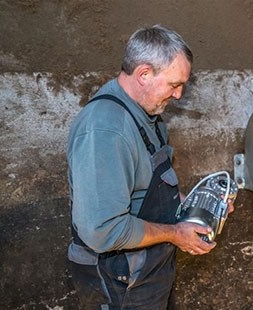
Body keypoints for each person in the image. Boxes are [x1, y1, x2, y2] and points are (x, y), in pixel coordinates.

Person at [66, 24, 234, 309]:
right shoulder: (106, 130)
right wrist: (175, 234)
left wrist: (199, 208)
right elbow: (102, 230)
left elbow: (150, 189)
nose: (179, 95)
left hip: (147, 272)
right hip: (119, 281)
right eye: (174, 84)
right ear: (144, 74)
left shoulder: (148, 115)